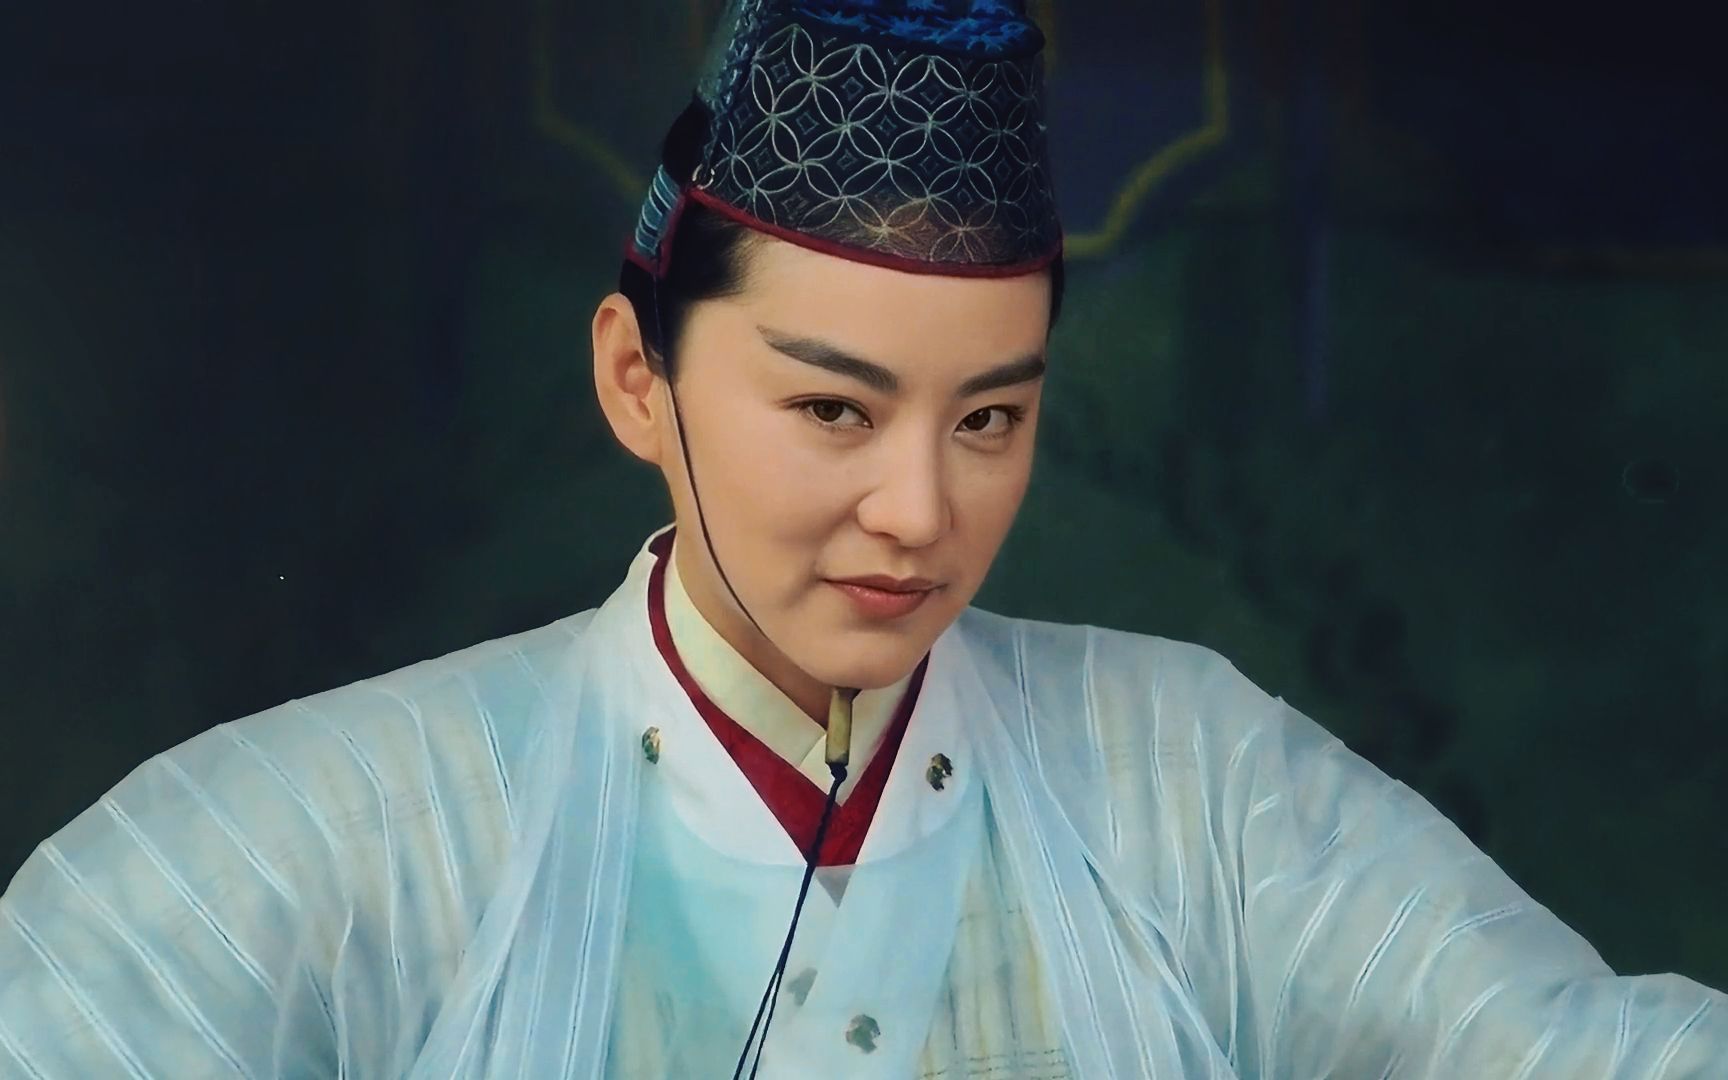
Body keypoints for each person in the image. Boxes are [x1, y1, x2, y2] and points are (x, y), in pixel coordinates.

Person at [2, 2, 1724, 1077]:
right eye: (834, 408)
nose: (920, 512)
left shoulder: (1194, 782)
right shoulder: (323, 838)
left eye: (990, 419)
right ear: (637, 377)